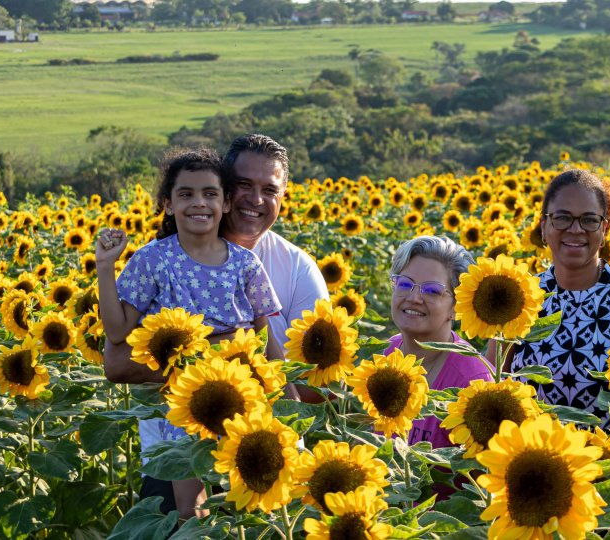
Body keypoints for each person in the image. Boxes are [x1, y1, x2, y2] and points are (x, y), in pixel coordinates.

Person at [101, 135, 329, 518]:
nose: (255, 199)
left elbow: (276, 347)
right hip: (178, 428)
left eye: (269, 189)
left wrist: (289, 413)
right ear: (169, 204)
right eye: (244, 185)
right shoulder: (155, 259)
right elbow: (116, 356)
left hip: (254, 432)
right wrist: (220, 351)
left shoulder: (278, 267)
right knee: (190, 520)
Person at [510, 169, 610, 419]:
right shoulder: (521, 297)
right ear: (544, 226)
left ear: (604, 230)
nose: (576, 229)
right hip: (531, 453)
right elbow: (493, 377)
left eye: (589, 220)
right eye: (562, 218)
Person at [384, 235, 491, 448]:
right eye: (404, 284)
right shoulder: (388, 353)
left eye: (432, 290)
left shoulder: (472, 382)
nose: (414, 297)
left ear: (456, 306)